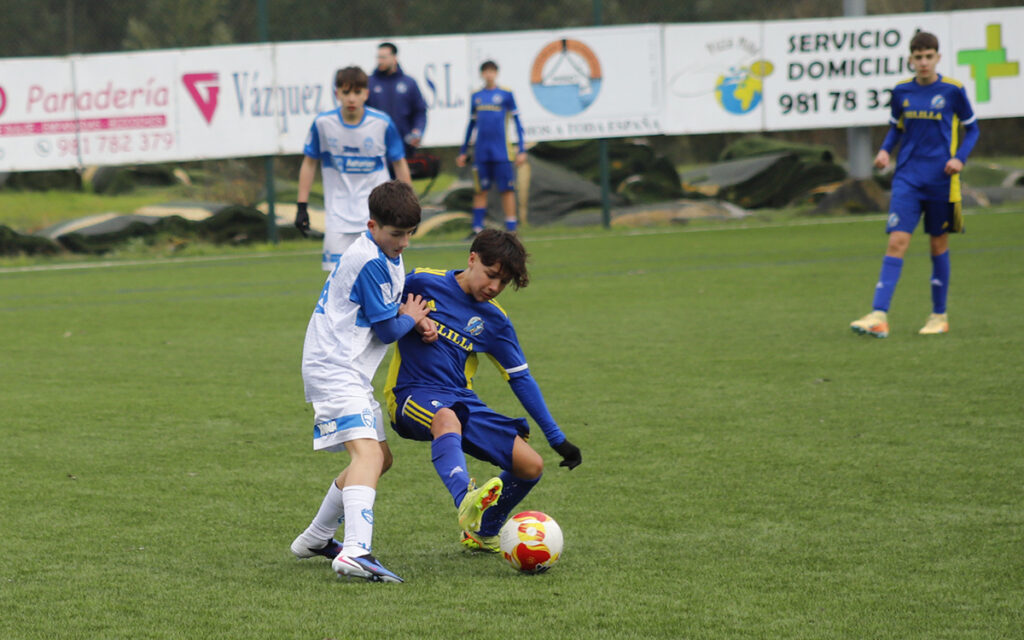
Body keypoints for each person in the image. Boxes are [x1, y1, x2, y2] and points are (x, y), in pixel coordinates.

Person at [384, 229, 582, 553]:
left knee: (530, 466)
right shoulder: (421, 282)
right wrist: (413, 321)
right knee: (446, 418)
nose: (494, 287)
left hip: (462, 399)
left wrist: (558, 439)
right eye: (491, 276)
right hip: (410, 393)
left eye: (503, 283)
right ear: (472, 258)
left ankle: (483, 531)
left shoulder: (495, 320)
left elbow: (521, 379)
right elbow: (379, 308)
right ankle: (466, 500)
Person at [290, 180, 430, 583]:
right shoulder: (369, 259)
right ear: (372, 225)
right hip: (335, 367)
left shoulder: (386, 253)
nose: (403, 242)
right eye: (396, 233)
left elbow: (393, 314)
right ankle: (355, 551)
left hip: (348, 369)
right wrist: (413, 318)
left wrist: (415, 322)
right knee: (366, 457)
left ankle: (316, 538)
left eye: (409, 234)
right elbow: (388, 330)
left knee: (380, 459)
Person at [851, 31, 979, 338]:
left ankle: (939, 315)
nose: (923, 62)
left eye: (928, 56)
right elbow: (896, 128)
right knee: (897, 241)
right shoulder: (901, 91)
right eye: (918, 57)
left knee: (938, 244)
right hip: (907, 178)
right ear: (911, 59)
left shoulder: (953, 90)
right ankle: (879, 315)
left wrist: (959, 158)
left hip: (943, 181)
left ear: (937, 57)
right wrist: (884, 150)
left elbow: (973, 129)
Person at [295, 66, 412, 272]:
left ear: (366, 94)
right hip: (337, 220)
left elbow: (399, 163)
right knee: (338, 281)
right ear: (336, 94)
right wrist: (302, 205)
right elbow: (309, 163)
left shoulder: (382, 124)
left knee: (380, 278)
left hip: (377, 219)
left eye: (357, 92)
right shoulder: (323, 124)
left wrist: (409, 204)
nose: (351, 98)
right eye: (346, 92)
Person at [456, 61, 527, 236]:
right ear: (482, 74)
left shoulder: (506, 94)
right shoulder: (476, 96)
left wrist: (521, 148)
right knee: (480, 190)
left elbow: (517, 122)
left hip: (502, 152)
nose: (489, 75)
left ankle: (511, 228)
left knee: (507, 189)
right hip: (482, 153)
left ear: (496, 73)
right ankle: (477, 228)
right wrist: (463, 151)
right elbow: (471, 125)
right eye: (485, 72)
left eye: (492, 71)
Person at [367, 42, 428, 163]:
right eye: (378, 57)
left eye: (383, 57)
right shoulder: (369, 83)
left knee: (401, 181)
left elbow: (420, 111)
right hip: (376, 146)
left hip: (403, 146)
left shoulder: (409, 82)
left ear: (394, 58)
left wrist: (417, 131)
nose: (380, 61)